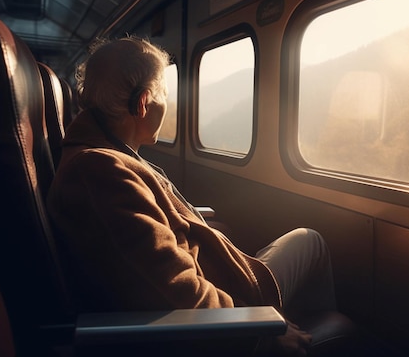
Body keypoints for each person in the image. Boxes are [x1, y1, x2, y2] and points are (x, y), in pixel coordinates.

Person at [47, 36, 337, 356]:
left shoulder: (104, 156)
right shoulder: (102, 172)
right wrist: (262, 328)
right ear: (143, 102)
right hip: (219, 324)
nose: (167, 105)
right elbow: (178, 293)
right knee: (312, 243)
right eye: (164, 95)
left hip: (217, 295)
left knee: (299, 241)